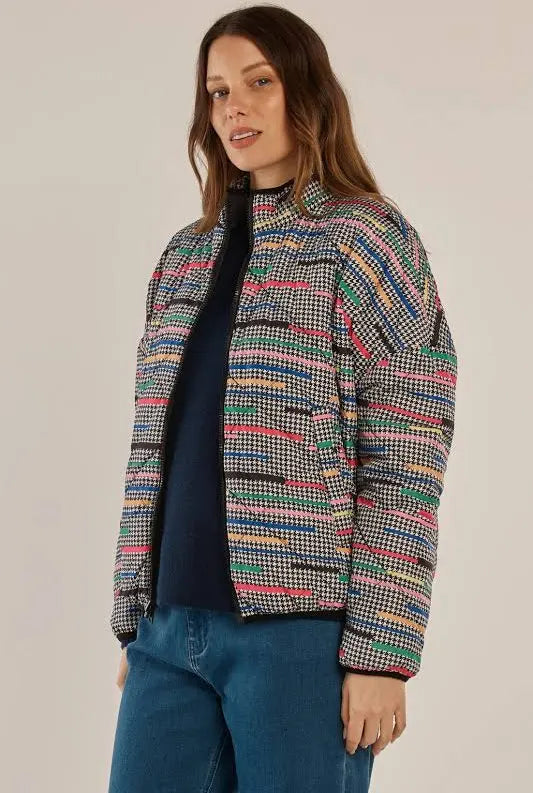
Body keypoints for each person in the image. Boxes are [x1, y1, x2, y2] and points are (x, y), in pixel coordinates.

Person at [107, 6, 458, 793]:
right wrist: (137, 618)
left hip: (300, 639)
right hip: (167, 633)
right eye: (218, 91)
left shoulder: (366, 241)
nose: (234, 106)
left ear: (306, 90)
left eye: (258, 82)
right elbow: (154, 451)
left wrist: (381, 653)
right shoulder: (182, 257)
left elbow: (406, 457)